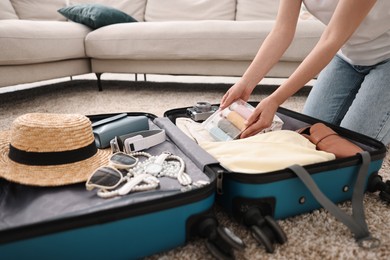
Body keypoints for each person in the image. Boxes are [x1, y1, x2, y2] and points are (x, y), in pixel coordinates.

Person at [220, 0, 390, 145]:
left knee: (354, 147)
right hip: (346, 55)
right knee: (306, 136)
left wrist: (275, 99)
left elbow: (331, 38)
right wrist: (246, 82)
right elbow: (282, 31)